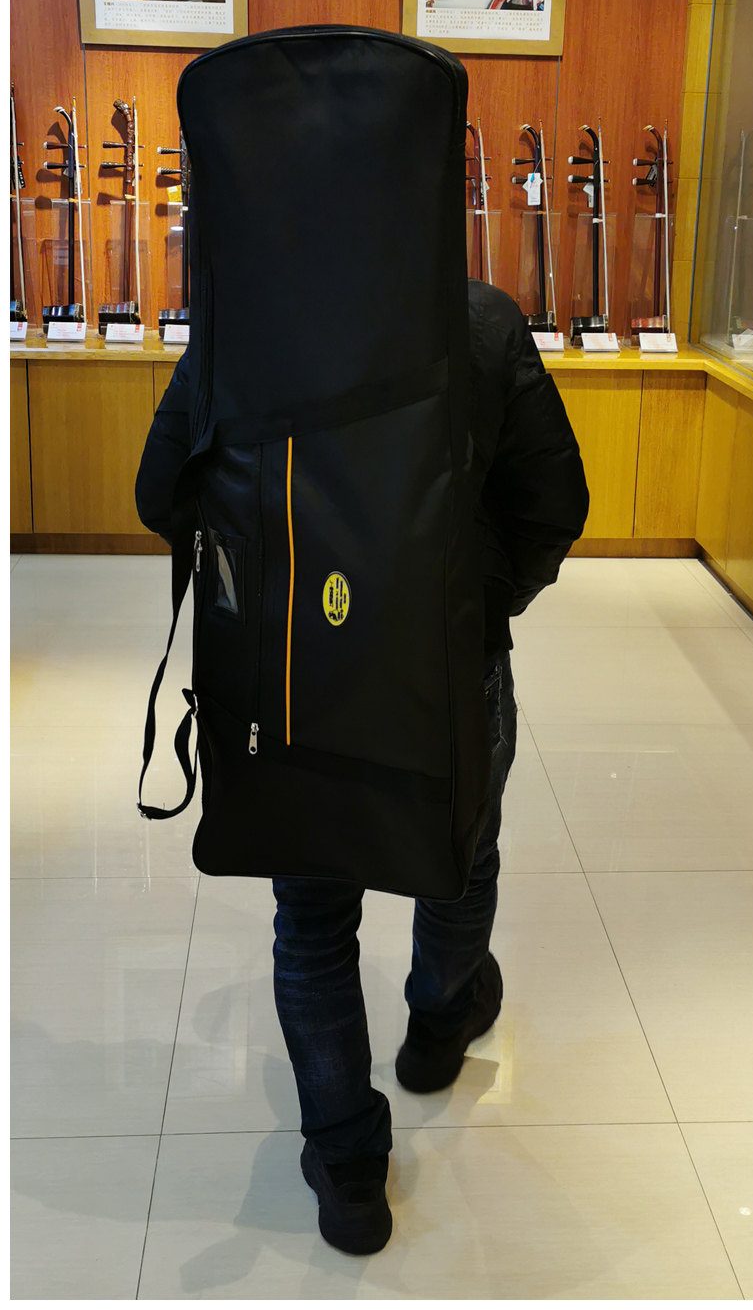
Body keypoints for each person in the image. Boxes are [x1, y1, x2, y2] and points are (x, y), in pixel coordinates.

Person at [135, 277, 589, 1256]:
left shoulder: (248, 316)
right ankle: (438, 1024)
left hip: (294, 673)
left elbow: (160, 490)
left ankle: (346, 1166)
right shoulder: (479, 317)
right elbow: (553, 504)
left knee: (311, 919)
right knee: (463, 856)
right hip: (447, 670)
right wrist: (470, 601)